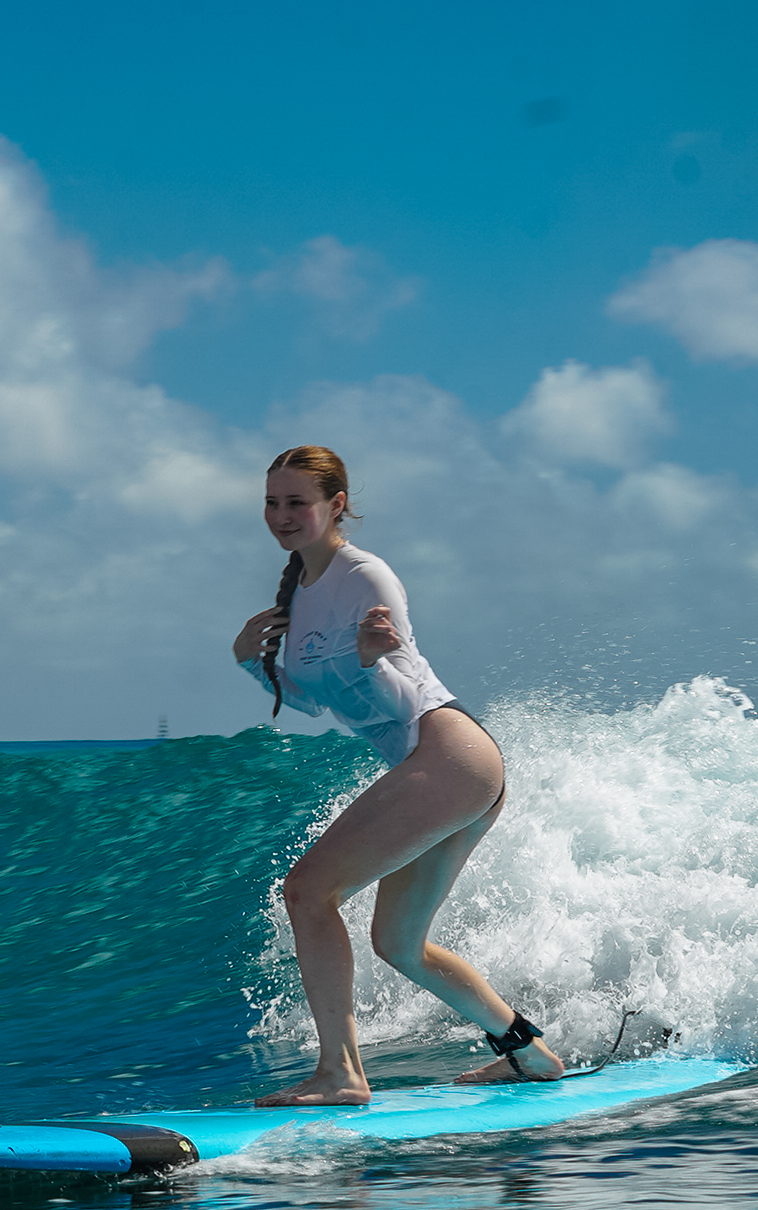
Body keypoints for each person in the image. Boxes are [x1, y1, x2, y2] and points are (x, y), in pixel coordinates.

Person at [228, 445, 561, 1105]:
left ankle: (341, 1074)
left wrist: (369, 661)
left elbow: (400, 703)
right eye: (273, 501)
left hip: (446, 751)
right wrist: (248, 661)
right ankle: (527, 1050)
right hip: (443, 765)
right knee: (398, 943)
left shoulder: (367, 577)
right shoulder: (301, 590)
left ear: (336, 505)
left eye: (298, 501)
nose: (283, 515)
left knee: (306, 892)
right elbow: (317, 702)